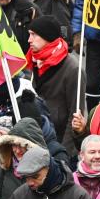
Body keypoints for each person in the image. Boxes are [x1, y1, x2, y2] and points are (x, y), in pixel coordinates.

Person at [27, 15, 85, 147]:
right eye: (29, 34)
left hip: (58, 140)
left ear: (47, 36)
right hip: (35, 137)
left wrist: (64, 152)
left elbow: (75, 115)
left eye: (34, 35)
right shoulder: (32, 60)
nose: (29, 40)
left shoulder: (73, 69)